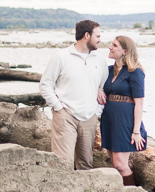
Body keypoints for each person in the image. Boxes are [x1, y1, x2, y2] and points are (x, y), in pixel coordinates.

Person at [39, 20, 108, 170]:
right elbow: (45, 84)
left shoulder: (100, 61)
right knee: (63, 162)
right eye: (97, 35)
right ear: (87, 35)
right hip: (65, 115)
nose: (100, 39)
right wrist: (58, 107)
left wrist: (97, 112)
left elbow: (102, 89)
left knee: (86, 164)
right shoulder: (61, 57)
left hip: (89, 117)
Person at [98, 35, 147, 186]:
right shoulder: (108, 70)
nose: (110, 47)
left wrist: (136, 131)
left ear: (125, 51)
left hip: (125, 121)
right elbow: (91, 81)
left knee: (120, 165)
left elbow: (139, 104)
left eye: (114, 45)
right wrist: (98, 89)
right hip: (109, 119)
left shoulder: (135, 72)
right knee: (115, 164)